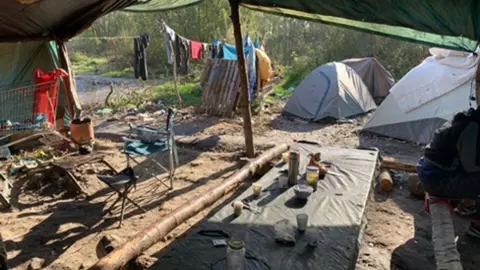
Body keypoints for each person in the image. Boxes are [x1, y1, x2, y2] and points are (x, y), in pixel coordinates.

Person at [417, 107, 480, 238]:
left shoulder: (464, 118)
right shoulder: (472, 128)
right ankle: (477, 226)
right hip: (437, 180)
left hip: (428, 171)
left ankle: (467, 205)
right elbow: (469, 166)